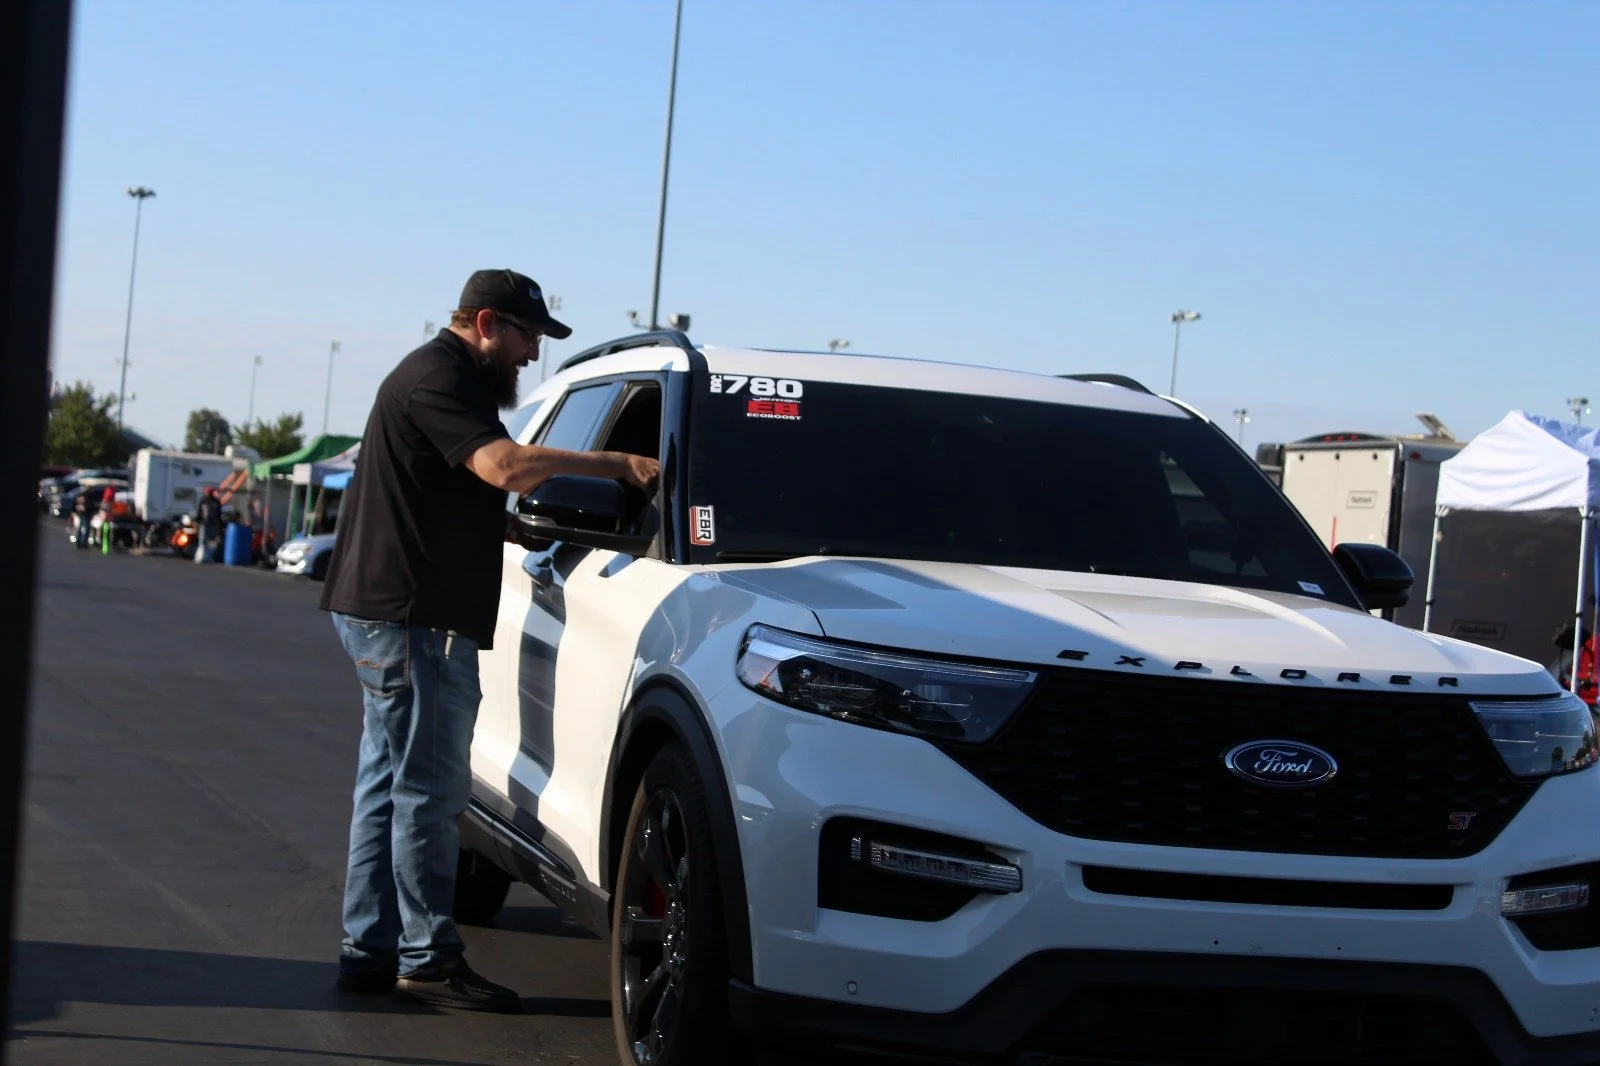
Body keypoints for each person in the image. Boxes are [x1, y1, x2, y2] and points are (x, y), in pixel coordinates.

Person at [319, 269, 658, 1012]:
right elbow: (502, 466)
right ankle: (426, 959)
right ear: (485, 324)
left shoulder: (450, 379)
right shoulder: (438, 377)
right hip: (410, 620)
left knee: (387, 787)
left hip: (396, 613)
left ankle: (368, 950)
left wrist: (502, 528)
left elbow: (438, 490)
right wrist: (617, 464)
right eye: (527, 336)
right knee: (428, 792)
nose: (532, 354)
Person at [195, 487, 223, 564]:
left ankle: (208, 557)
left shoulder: (215, 502)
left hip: (212, 524)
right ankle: (201, 556)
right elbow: (200, 512)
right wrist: (198, 520)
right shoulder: (204, 501)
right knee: (203, 540)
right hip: (205, 523)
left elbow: (219, 514)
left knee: (211, 541)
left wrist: (219, 525)